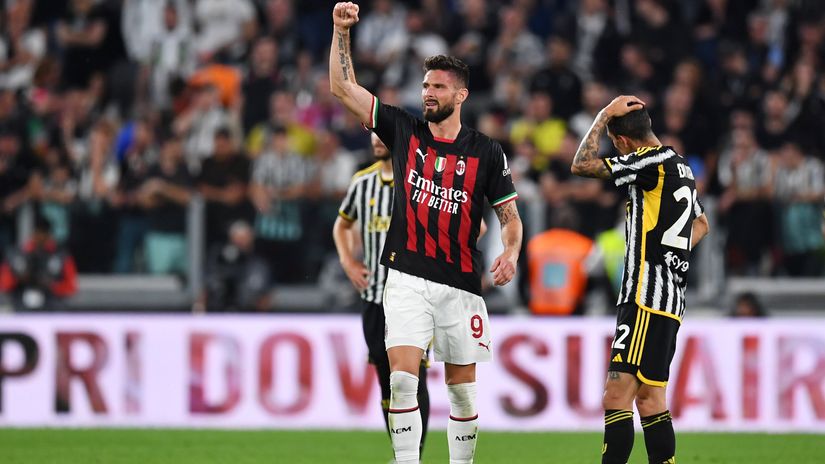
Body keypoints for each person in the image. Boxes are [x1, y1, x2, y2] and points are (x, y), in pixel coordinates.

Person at [329, 4, 523, 463]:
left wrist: (511, 252)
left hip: (459, 282)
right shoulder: (403, 130)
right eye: (425, 85)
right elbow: (342, 87)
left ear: (461, 96)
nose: (428, 93)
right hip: (405, 276)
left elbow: (510, 218)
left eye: (438, 86)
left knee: (462, 394)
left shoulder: (486, 152)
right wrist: (340, 32)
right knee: (401, 377)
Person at [570, 95, 710, 464]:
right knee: (650, 400)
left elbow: (581, 164)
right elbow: (701, 223)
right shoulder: (680, 166)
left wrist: (602, 116)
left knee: (615, 397)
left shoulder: (647, 162)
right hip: (670, 299)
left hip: (645, 297)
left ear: (623, 142)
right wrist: (673, 256)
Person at [333, 132, 431, 461]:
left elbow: (463, 223)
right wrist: (348, 262)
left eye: (383, 134)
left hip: (412, 299)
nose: (377, 140)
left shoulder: (420, 182)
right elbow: (342, 225)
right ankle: (399, 450)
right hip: (374, 297)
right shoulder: (362, 183)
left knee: (412, 377)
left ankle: (413, 453)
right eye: (372, 135)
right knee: (385, 380)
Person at [0, 215, 77, 312]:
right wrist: (20, 278)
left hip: (52, 306)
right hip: (20, 305)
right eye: (37, 233)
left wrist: (52, 285)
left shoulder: (61, 256)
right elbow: (4, 285)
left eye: (43, 233)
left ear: (49, 234)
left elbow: (71, 287)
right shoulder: (17, 254)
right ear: (32, 233)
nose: (40, 237)